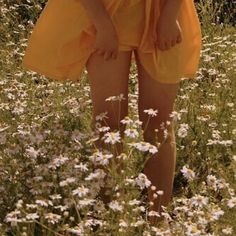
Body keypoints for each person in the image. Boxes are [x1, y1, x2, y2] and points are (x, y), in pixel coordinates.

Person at [22, 0, 202, 226]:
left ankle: (159, 220)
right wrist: (103, 25)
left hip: (164, 9)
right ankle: (109, 217)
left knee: (159, 122)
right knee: (109, 121)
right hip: (106, 12)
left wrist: (169, 16)